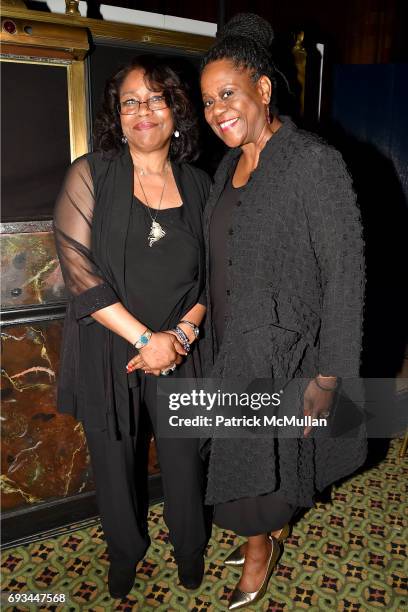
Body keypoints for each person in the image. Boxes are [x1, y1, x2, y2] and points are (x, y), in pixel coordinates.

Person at [200, 13, 366, 610]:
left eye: (228, 94)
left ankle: (258, 549)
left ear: (263, 90)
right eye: (208, 99)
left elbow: (347, 277)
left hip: (287, 348)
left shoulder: (313, 163)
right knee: (252, 446)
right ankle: (269, 528)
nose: (217, 109)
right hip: (231, 338)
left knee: (255, 449)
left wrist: (328, 378)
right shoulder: (227, 166)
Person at [54, 55, 212, 599]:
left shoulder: (201, 185)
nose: (143, 110)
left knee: (184, 459)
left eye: (156, 98)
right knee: (113, 462)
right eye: (130, 101)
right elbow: (78, 271)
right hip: (109, 347)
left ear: (176, 110)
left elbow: (214, 280)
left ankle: (190, 550)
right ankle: (125, 554)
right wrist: (146, 341)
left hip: (182, 349)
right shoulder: (89, 173)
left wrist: (180, 338)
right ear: (116, 116)